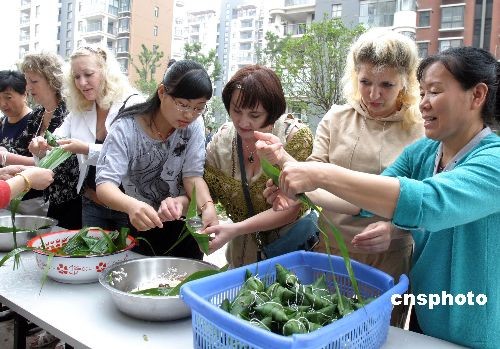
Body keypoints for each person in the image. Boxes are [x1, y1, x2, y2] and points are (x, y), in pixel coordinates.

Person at [265, 47, 500, 348]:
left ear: (477, 95)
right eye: (424, 92)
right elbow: (361, 201)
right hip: (428, 311)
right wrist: (295, 179)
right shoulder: (425, 152)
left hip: (477, 324)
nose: (425, 104)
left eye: (435, 92)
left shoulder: (492, 161)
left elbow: (428, 202)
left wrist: (319, 174)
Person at [255, 28, 424, 326]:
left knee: (379, 330)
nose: (374, 94)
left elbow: (427, 199)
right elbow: (313, 177)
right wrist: (286, 178)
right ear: (355, 76)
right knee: (324, 322)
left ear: (406, 82)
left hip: (389, 253)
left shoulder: (421, 129)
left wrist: (395, 229)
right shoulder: (336, 118)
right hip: (331, 248)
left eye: (386, 84)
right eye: (365, 82)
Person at [95, 60, 217, 258]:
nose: (189, 115)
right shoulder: (126, 128)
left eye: (198, 108)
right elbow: (105, 184)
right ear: (162, 92)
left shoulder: (194, 126)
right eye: (183, 105)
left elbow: (192, 176)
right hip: (141, 226)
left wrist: (207, 207)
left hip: (184, 228)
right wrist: (132, 205)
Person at [202, 65, 314, 267]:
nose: (243, 122)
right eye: (236, 111)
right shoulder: (221, 142)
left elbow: (291, 208)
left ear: (272, 112)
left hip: (291, 255)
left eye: (254, 115)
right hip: (240, 258)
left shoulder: (293, 138)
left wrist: (235, 229)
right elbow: (204, 192)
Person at [29, 45, 143, 230]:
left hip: (128, 205)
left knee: (128, 256)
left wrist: (86, 148)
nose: (82, 83)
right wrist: (40, 147)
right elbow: (54, 144)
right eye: (76, 77)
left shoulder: (134, 104)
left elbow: (133, 155)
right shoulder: (79, 109)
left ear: (106, 72)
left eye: (88, 74)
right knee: (92, 256)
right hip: (92, 202)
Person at [3, 52, 83, 229]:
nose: (28, 87)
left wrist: (7, 158)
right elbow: (21, 150)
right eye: (27, 81)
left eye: (34, 81)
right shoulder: (37, 115)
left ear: (52, 79)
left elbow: (66, 159)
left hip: (72, 199)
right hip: (44, 199)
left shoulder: (70, 112)